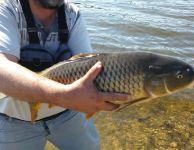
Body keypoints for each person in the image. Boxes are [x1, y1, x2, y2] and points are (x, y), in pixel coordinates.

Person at [0, 0, 128, 149]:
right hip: (13, 121)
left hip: (69, 114)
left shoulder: (72, 14)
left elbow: (90, 68)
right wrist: (64, 96)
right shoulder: (6, 9)